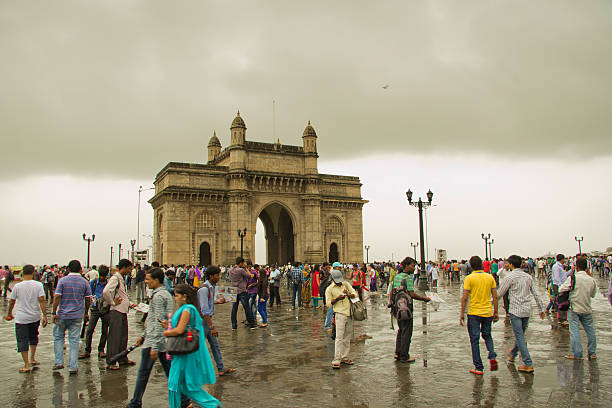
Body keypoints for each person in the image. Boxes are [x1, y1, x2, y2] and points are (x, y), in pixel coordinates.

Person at [128, 268, 188, 408]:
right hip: (159, 341)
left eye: (148, 279)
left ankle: (135, 403)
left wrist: (154, 346)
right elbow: (154, 319)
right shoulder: (162, 294)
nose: (146, 281)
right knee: (169, 373)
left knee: (143, 374)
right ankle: (184, 400)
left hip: (155, 343)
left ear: (156, 280)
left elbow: (161, 323)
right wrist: (143, 335)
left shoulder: (160, 296)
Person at [164, 284, 221, 408]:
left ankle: (212, 404)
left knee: (175, 384)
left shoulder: (187, 310)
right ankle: (211, 404)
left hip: (184, 354)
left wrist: (166, 332)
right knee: (185, 385)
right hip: (184, 351)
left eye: (177, 296)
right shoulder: (188, 309)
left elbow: (179, 330)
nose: (175, 299)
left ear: (184, 296)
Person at [496, 255, 546, 373]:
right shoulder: (528, 277)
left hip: (515, 311)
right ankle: (513, 353)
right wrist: (541, 309)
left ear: (512, 265)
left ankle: (528, 363)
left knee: (520, 337)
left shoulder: (510, 277)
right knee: (520, 335)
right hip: (526, 310)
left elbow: (499, 294)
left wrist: (489, 305)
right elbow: (536, 294)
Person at [460, 256, 499, 375]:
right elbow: (495, 297)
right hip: (487, 312)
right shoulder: (489, 277)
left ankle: (479, 367)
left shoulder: (469, 278)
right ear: (482, 265)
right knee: (487, 335)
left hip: (474, 312)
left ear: (470, 266)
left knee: (474, 340)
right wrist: (496, 312)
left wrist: (462, 313)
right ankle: (492, 355)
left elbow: (465, 297)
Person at [5, 264, 47, 373]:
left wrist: (9, 313)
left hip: (21, 318)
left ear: (22, 273)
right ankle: (32, 358)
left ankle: (26, 364)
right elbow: (42, 300)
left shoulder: (17, 286)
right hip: (35, 316)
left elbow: (12, 301)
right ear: (33, 273)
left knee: (22, 340)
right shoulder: (38, 285)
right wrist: (45, 315)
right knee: (33, 337)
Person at [389, 257, 431, 363]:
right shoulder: (408, 278)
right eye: (412, 265)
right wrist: (424, 299)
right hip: (406, 308)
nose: (414, 268)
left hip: (397, 307)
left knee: (401, 330)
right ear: (406, 265)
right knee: (407, 331)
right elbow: (412, 294)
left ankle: (397, 353)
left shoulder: (397, 276)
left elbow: (391, 292)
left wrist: (391, 304)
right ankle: (404, 356)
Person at [52, 260, 91, 374]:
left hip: (63, 314)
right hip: (77, 315)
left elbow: (57, 297)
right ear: (80, 269)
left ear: (68, 269)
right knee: (74, 340)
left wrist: (54, 312)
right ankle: (73, 366)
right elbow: (88, 298)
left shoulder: (62, 281)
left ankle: (58, 362)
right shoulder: (84, 282)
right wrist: (86, 313)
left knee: (59, 337)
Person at [197, 266, 236, 377]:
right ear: (210, 276)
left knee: (215, 345)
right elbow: (204, 310)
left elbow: (208, 304)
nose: (219, 277)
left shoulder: (211, 288)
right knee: (199, 347)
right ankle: (194, 372)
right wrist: (211, 326)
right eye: (217, 275)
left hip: (207, 322)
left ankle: (221, 368)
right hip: (203, 323)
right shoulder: (204, 289)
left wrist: (219, 301)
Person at [560, 257, 598, 360]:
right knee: (590, 331)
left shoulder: (573, 278)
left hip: (574, 308)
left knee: (575, 331)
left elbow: (561, 289)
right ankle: (592, 353)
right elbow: (593, 294)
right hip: (587, 307)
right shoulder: (591, 280)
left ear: (576, 267)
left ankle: (577, 354)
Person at [103, 258, 135, 370]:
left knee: (123, 337)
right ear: (125, 267)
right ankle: (111, 361)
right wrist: (112, 302)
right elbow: (106, 292)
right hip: (116, 311)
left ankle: (122, 358)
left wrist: (130, 304)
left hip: (123, 311)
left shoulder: (121, 279)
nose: (130, 271)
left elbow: (122, 295)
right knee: (114, 337)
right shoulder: (115, 278)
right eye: (130, 269)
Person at [325, 267, 358, 369]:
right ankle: (336, 359)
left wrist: (348, 294)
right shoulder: (329, 289)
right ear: (333, 279)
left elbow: (355, 294)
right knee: (339, 337)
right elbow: (328, 304)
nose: (339, 283)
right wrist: (338, 298)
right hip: (339, 314)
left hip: (349, 313)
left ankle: (345, 357)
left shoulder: (346, 284)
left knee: (347, 337)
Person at [80, 265, 110, 359]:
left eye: (104, 276)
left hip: (105, 309)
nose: (102, 278)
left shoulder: (108, 284)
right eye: (101, 275)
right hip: (95, 308)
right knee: (90, 330)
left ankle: (101, 350)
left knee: (105, 331)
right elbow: (89, 295)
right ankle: (87, 350)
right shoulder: (93, 283)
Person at [229, 257, 257, 330]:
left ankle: (234, 326)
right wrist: (246, 268)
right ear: (241, 263)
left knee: (234, 309)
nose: (245, 264)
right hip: (241, 291)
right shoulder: (241, 270)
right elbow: (251, 276)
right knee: (247, 308)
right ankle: (252, 325)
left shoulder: (231, 270)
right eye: (244, 263)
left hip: (233, 291)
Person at [551, 254, 570, 326]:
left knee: (562, 302)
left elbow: (564, 275)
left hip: (561, 285)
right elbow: (557, 278)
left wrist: (571, 270)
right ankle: (562, 319)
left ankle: (562, 318)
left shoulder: (560, 266)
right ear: (561, 259)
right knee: (562, 302)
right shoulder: (556, 267)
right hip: (559, 286)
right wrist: (560, 287)